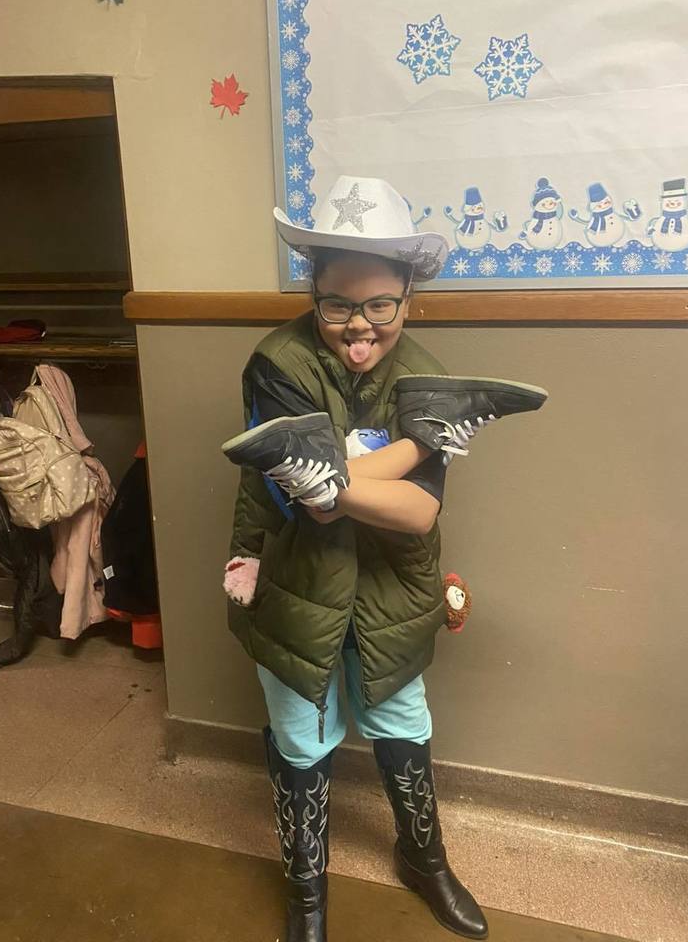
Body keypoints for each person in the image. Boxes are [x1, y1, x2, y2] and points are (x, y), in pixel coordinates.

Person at [221, 176, 547, 942]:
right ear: (314, 294)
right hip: (296, 582)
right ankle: (307, 892)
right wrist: (419, 443)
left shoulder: (428, 373)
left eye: (380, 305)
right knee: (300, 734)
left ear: (409, 295)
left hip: (393, 586)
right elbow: (301, 500)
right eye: (337, 304)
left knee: (404, 719)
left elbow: (417, 510)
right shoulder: (276, 362)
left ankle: (423, 858)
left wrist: (333, 482)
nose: (359, 326)